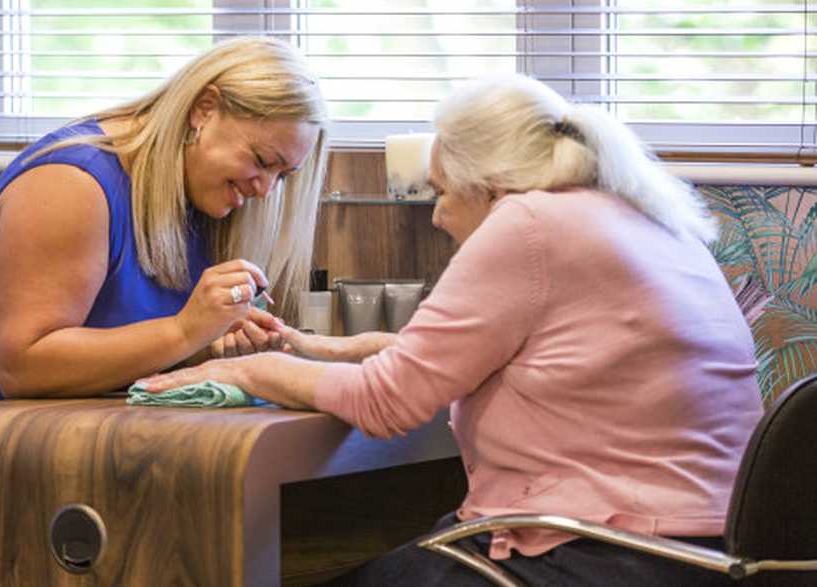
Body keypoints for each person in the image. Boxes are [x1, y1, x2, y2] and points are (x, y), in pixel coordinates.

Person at [141, 74, 765, 586]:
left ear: (487, 185)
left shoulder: (528, 222)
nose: (436, 215)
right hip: (704, 551)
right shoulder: (640, 218)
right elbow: (529, 361)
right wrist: (321, 348)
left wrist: (240, 368)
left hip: (598, 555)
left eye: (440, 192)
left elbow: (384, 403)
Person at [0, 36, 329, 560]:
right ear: (204, 109)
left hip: (86, 454)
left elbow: (124, 349)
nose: (266, 191)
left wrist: (207, 343)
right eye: (262, 161)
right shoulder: (71, 183)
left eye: (284, 175)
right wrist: (186, 330)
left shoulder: (195, 196)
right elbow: (23, 366)